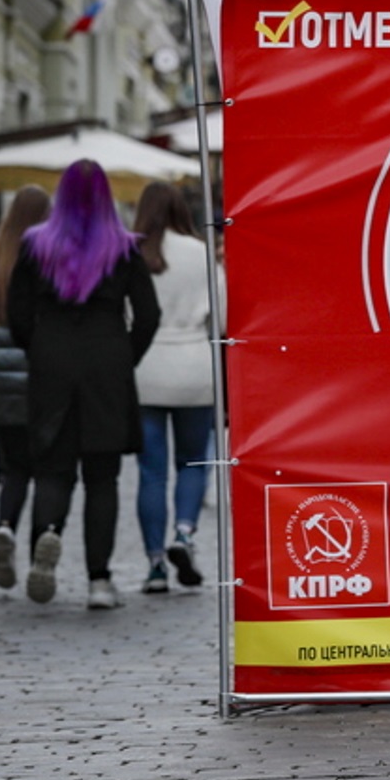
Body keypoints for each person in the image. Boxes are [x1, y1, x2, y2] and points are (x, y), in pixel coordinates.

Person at [8, 160, 160, 609]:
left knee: (53, 467)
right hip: (106, 358)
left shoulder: (35, 245)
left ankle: (47, 535)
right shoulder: (125, 248)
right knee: (102, 476)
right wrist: (123, 355)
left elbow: (16, 314)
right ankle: (99, 579)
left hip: (52, 357)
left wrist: (38, 349)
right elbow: (148, 315)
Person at [133, 182, 224, 593]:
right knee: (192, 461)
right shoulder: (201, 254)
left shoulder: (129, 253)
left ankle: (155, 565)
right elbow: (221, 320)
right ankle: (184, 533)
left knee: (150, 472)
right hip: (193, 369)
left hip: (144, 369)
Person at [0, 186, 52, 590]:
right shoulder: (46, 255)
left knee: (13, 467)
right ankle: (39, 549)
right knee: (47, 469)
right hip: (40, 364)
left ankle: (5, 525)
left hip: (0, 367)